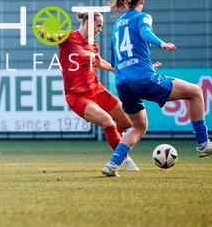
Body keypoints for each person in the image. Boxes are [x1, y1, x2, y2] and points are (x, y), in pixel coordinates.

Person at [101, 0, 212, 177]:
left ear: (126, 0)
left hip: (123, 83)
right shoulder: (141, 17)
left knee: (139, 126)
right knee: (196, 92)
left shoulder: (117, 26)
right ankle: (203, 144)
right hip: (142, 79)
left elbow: (115, 61)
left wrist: (140, 67)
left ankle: (112, 164)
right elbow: (145, 33)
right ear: (142, 0)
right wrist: (161, 44)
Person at [39, 12, 139, 172]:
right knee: (107, 121)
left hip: (97, 90)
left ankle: (115, 139)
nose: (100, 29)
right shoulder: (68, 38)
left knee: (129, 122)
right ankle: (124, 161)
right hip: (77, 96)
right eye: (98, 25)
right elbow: (48, 35)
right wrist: (43, 30)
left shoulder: (93, 44)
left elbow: (99, 62)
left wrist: (117, 69)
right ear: (88, 24)